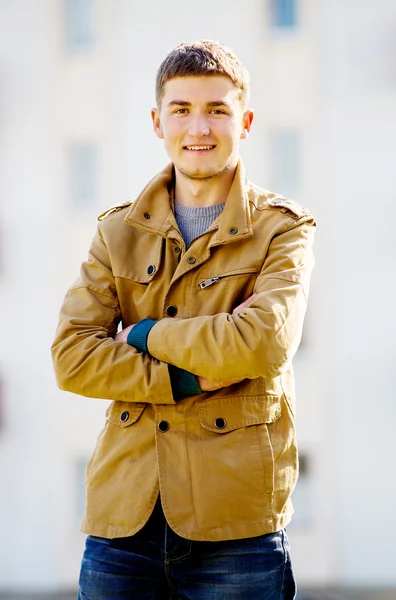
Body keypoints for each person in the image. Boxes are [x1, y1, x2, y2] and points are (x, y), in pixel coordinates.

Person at [52, 39, 316, 600]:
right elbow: (72, 357)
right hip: (121, 520)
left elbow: (262, 343)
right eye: (182, 109)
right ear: (157, 121)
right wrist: (187, 376)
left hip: (237, 524)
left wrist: (143, 334)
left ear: (244, 121)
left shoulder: (282, 229)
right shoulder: (115, 232)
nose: (199, 127)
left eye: (217, 110)